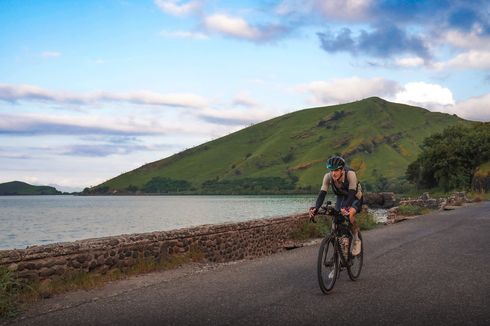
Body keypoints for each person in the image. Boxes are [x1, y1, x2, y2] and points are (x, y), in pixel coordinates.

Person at [309, 156, 363, 255]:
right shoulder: (328, 177)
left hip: (355, 197)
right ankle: (341, 248)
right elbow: (322, 193)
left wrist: (346, 207)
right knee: (337, 218)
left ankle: (356, 239)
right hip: (341, 197)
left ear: (342, 169)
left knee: (349, 214)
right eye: (331, 170)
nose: (333, 173)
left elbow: (352, 192)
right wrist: (316, 208)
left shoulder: (350, 174)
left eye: (336, 170)